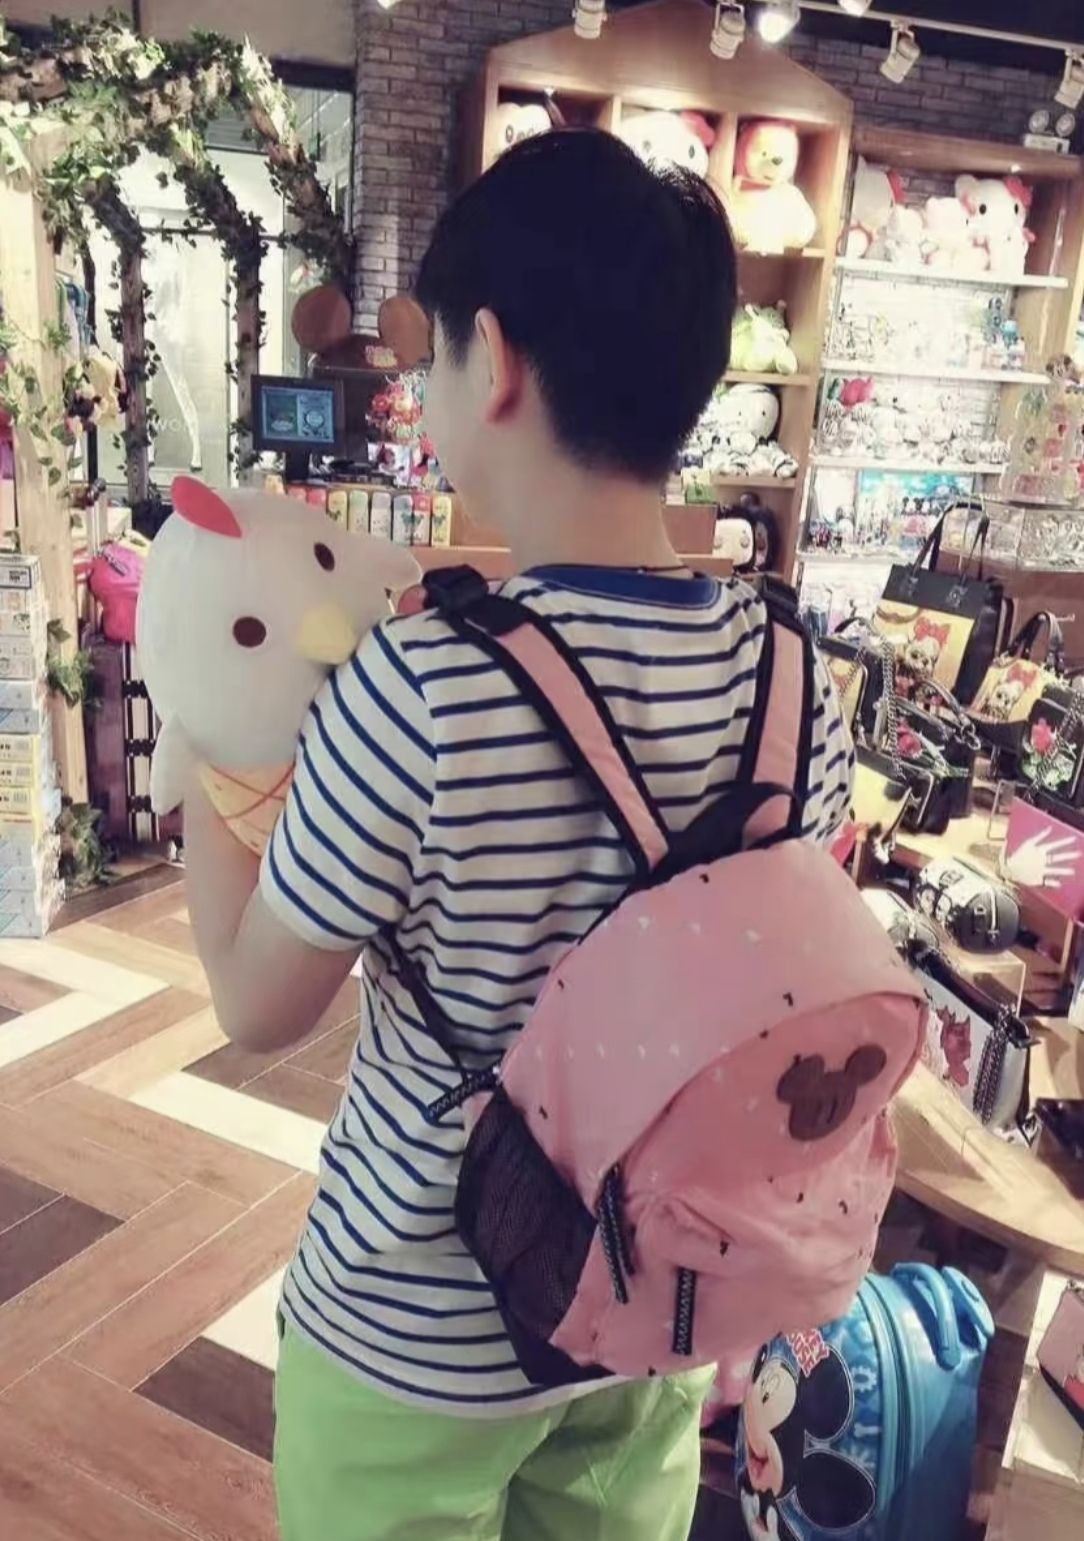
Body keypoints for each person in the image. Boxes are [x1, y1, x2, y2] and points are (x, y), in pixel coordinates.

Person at [184, 129, 853, 1541]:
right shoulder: (797, 681)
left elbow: (255, 1005)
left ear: (491, 361)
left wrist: (206, 737)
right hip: (654, 1303)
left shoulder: (423, 687)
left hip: (414, 1327)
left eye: (430, 356)